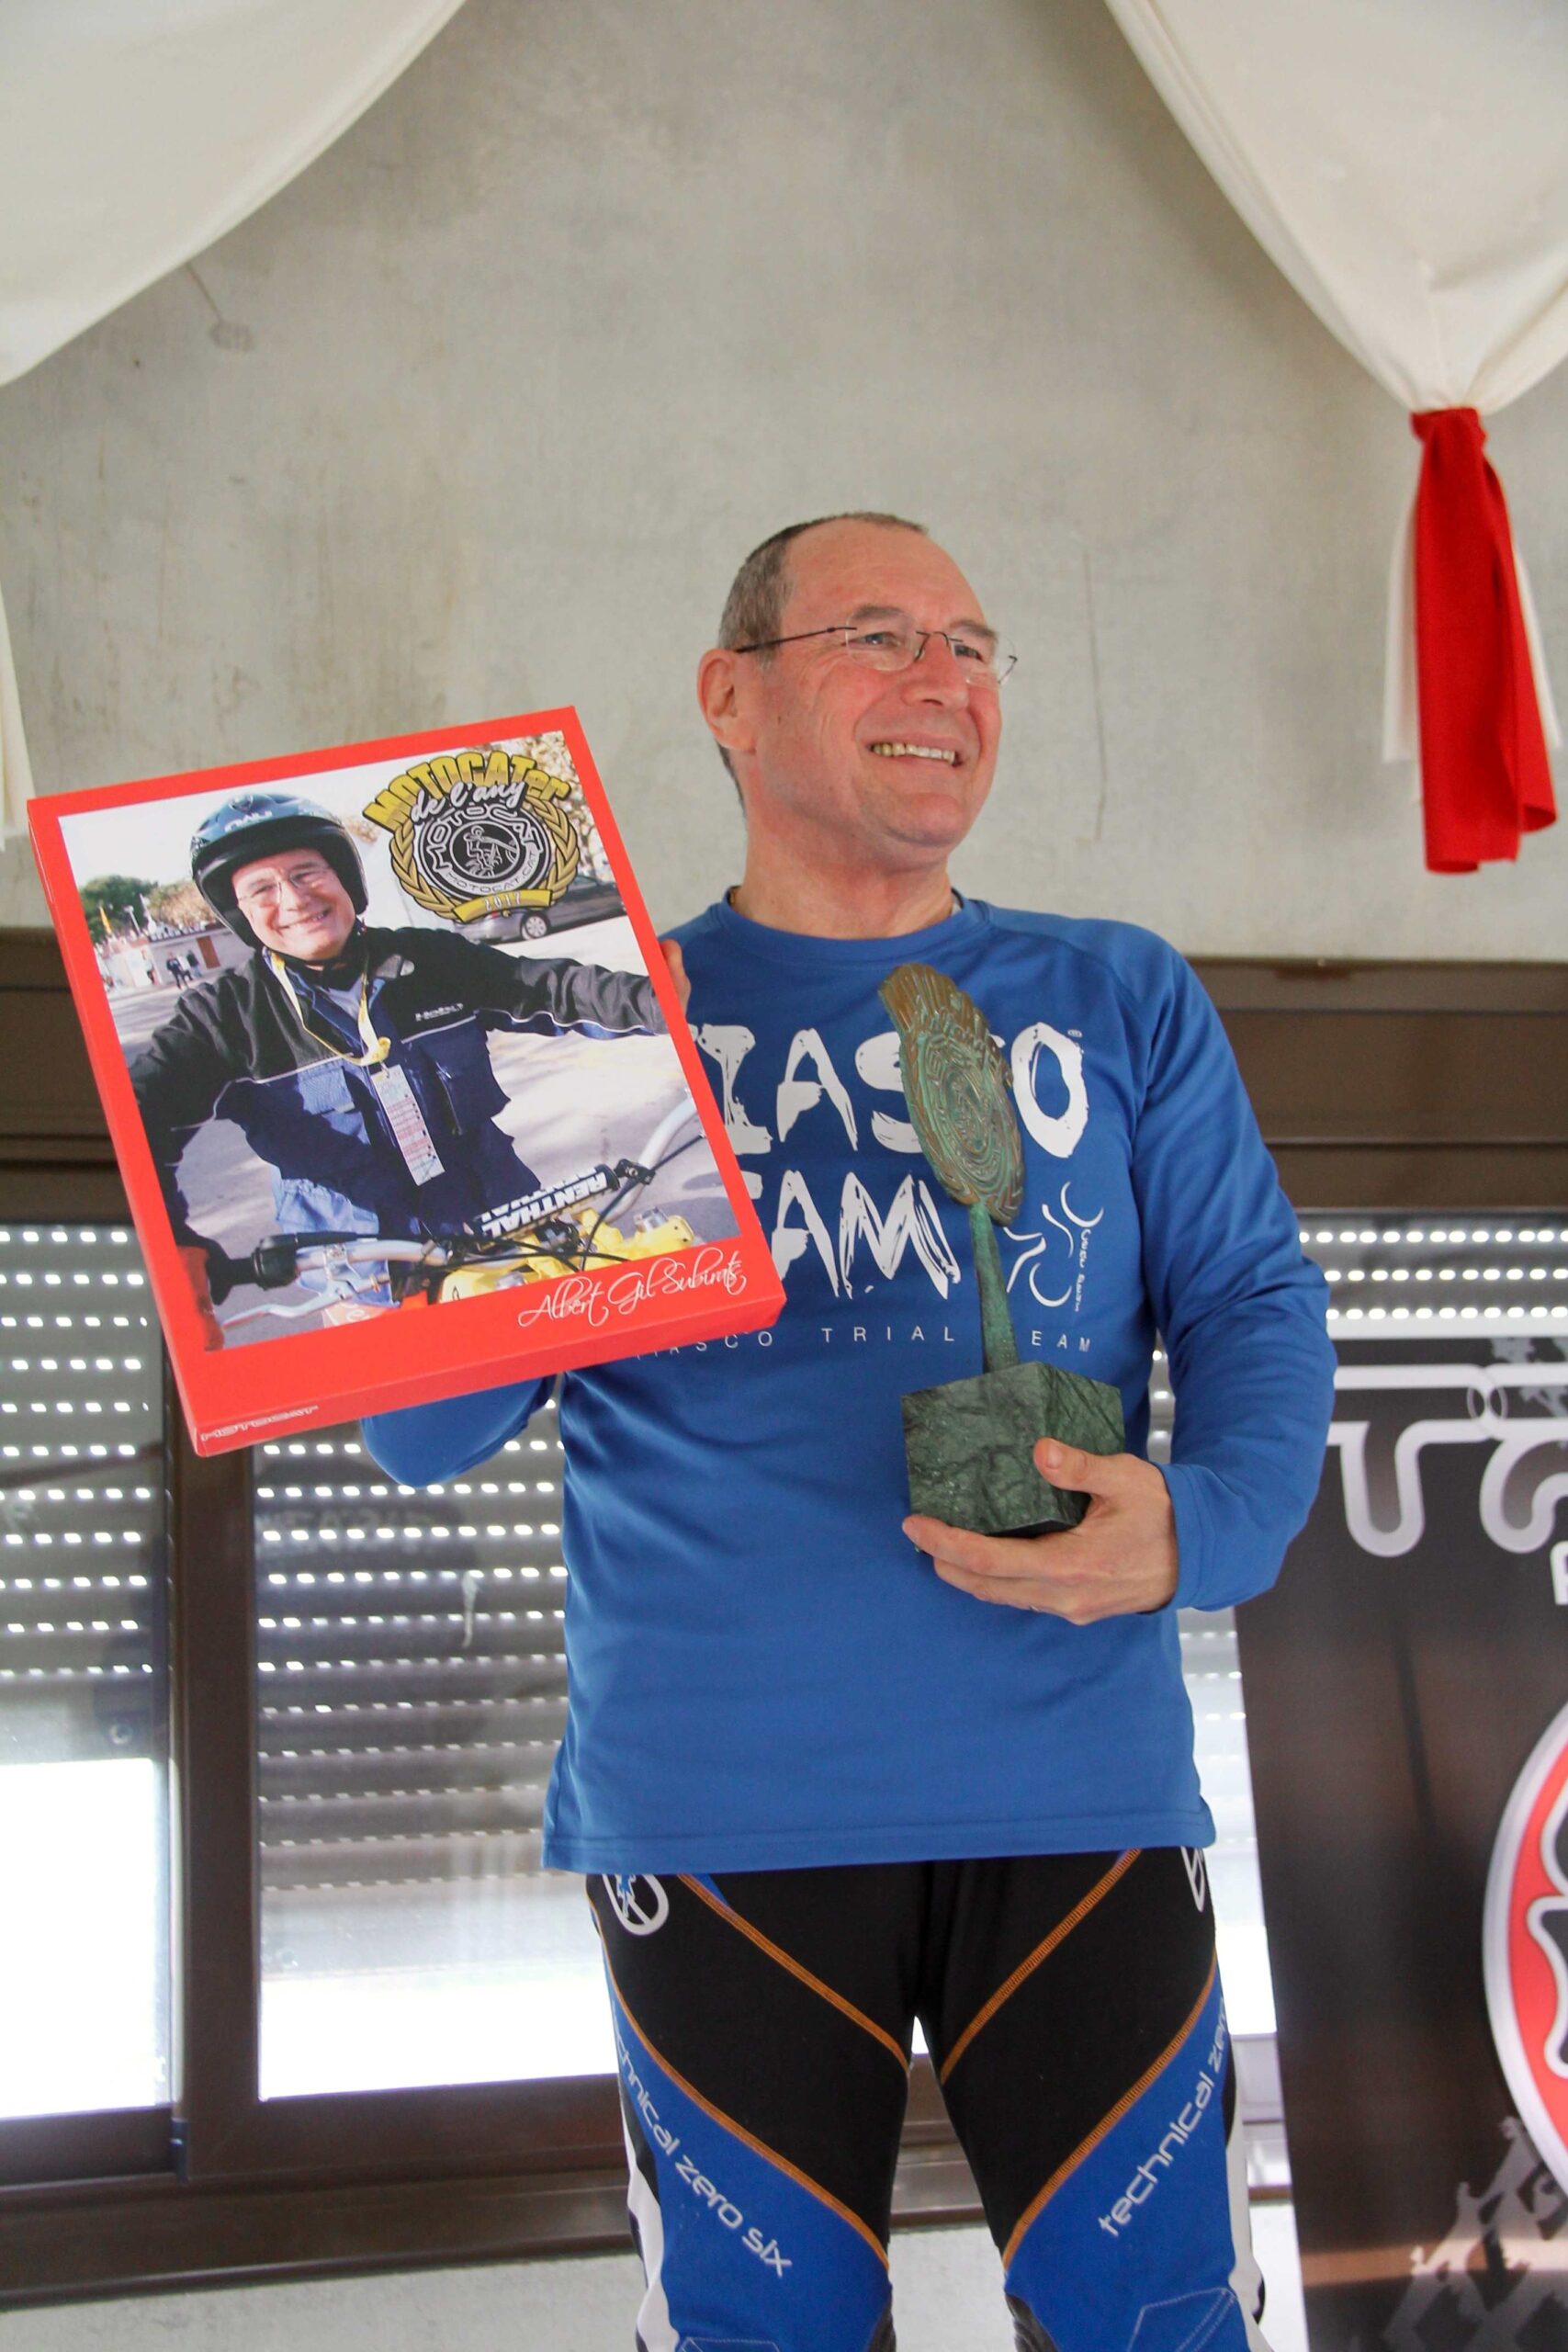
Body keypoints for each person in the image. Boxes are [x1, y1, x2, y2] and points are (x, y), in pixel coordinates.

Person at [362, 513, 1336, 2350]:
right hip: (717, 1813)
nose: (942, 679)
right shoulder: (588, 1025)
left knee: (1157, 2322)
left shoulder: (1114, 992)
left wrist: (1202, 1522)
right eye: (878, 634)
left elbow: (1250, 1304)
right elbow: (423, 1437)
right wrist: (497, 1153)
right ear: (728, 695)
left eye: (973, 644)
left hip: (1076, 1793)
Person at [128, 791, 663, 1334]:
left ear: (344, 878)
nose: (293, 900)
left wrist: (668, 1000)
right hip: (368, 1282)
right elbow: (134, 1122)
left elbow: (557, 989)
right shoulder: (223, 1018)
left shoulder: (432, 960)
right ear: (240, 914)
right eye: (261, 889)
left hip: (507, 1234)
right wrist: (173, 1242)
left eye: (307, 873)